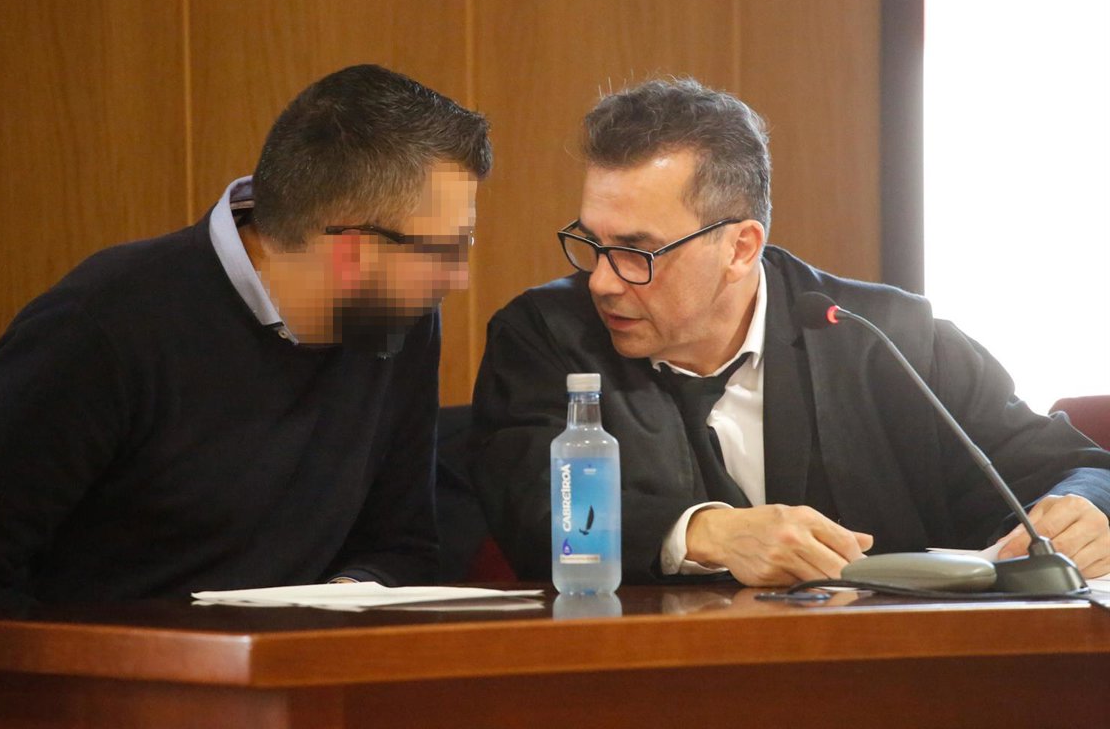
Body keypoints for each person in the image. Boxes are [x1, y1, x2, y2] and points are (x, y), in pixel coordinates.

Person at [471, 77, 1110, 586]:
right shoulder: (545, 335)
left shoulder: (884, 336)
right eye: (592, 243)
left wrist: (1086, 509)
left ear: (741, 247)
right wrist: (708, 533)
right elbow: (531, 510)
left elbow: (1075, 467)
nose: (603, 282)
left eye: (637, 251)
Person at [0, 64, 491, 613]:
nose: (458, 278)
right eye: (443, 248)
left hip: (297, 671)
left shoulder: (397, 318)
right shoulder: (103, 324)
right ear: (351, 249)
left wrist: (333, 606)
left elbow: (402, 545)